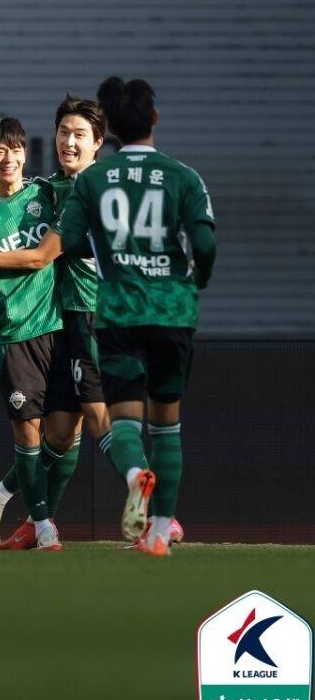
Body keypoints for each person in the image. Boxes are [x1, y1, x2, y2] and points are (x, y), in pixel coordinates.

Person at [0, 95, 185, 547]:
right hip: (63, 321)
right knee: (61, 431)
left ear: (98, 143)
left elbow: (40, 257)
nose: (69, 142)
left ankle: (153, 506)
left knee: (97, 414)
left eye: (80, 135)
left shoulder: (94, 189)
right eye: (63, 132)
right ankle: (20, 507)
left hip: (95, 316)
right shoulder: (52, 188)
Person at [55, 77, 216, 555]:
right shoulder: (184, 176)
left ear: (110, 130)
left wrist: (109, 249)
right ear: (154, 119)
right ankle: (160, 533)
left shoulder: (93, 179)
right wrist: (197, 279)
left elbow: (71, 241)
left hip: (119, 313)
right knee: (167, 423)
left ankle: (133, 475)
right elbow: (204, 243)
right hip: (172, 311)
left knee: (124, 419)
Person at [0, 97, 110, 546]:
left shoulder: (45, 193)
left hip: (59, 327)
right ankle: (43, 524)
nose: (9, 158)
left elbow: (41, 255)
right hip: (14, 333)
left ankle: (0, 495)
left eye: (15, 149)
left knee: (65, 433)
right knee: (31, 433)